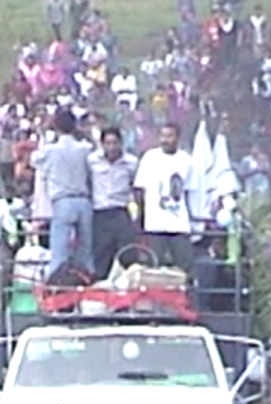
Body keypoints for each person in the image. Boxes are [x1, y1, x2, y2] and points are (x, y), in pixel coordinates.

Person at [31, 109, 95, 278]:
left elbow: (35, 160)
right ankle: (86, 280)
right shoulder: (84, 148)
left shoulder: (51, 151)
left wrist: (44, 136)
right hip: (83, 200)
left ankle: (55, 285)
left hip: (63, 201)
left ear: (56, 127)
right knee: (86, 250)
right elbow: (94, 152)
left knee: (59, 251)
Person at [134, 123, 198, 273]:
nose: (165, 140)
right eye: (163, 136)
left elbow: (188, 192)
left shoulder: (187, 160)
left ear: (177, 138)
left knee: (186, 268)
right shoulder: (150, 157)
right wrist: (141, 216)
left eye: (169, 136)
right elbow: (139, 189)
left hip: (179, 225)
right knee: (154, 268)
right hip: (155, 225)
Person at [88, 127, 139, 279]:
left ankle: (126, 294)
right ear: (102, 144)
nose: (111, 147)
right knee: (101, 256)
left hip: (121, 211)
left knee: (128, 254)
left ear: (121, 143)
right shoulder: (92, 161)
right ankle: (101, 293)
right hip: (100, 213)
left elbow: (136, 188)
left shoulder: (131, 162)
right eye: (108, 143)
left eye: (115, 143)